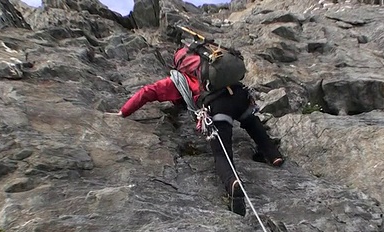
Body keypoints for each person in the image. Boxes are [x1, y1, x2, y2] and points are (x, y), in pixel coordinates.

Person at [116, 46, 284, 216]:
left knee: (221, 153)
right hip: (240, 96)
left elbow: (147, 92)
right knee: (251, 122)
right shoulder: (212, 63)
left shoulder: (178, 80)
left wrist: (124, 111)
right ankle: (273, 155)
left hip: (218, 106)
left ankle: (232, 183)